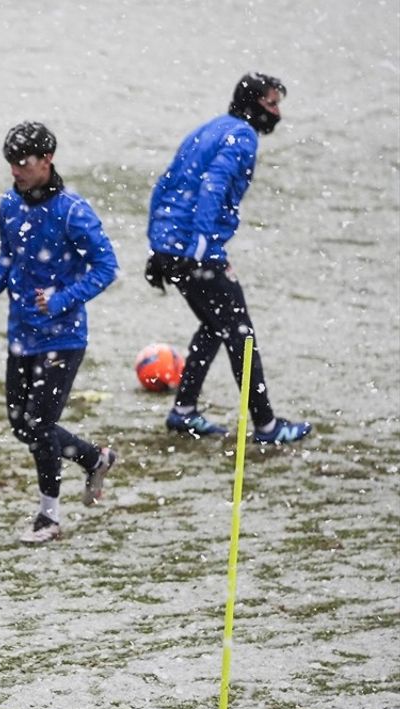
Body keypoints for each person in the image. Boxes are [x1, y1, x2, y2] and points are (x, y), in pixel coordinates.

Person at [145, 72, 312, 445]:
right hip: (194, 250)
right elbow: (212, 187)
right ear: (253, 105)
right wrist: (202, 250)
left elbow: (166, 182)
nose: (278, 113)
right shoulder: (242, 136)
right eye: (272, 104)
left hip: (172, 246)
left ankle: (183, 412)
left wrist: (157, 248)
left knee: (214, 324)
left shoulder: (210, 128)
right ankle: (267, 426)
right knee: (241, 333)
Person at [0, 121, 119, 544]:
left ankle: (48, 518)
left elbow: (107, 267)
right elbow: (8, 256)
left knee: (39, 424)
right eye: (11, 164)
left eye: (23, 163)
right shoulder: (9, 205)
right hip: (22, 334)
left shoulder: (73, 211)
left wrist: (60, 299)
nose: (15, 172)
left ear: (47, 160)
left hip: (63, 337)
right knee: (21, 425)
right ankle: (96, 458)